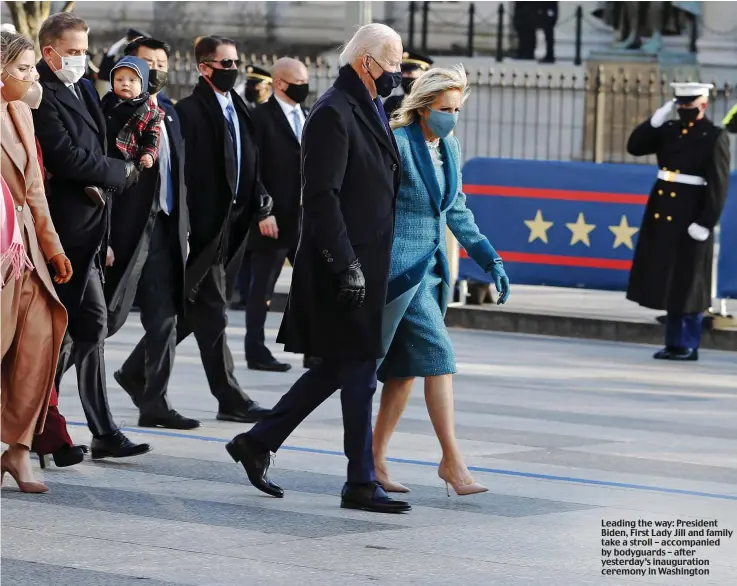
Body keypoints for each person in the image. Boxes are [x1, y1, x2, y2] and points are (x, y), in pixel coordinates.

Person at [225, 23, 411, 514]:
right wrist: (345, 263)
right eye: (392, 62)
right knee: (358, 371)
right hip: (345, 265)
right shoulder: (333, 111)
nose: (397, 71)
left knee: (342, 367)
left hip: (366, 261)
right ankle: (358, 481)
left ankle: (259, 442)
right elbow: (321, 197)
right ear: (367, 61)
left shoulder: (368, 105)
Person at [372, 65, 511, 496]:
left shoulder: (449, 147)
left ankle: (373, 460)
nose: (451, 115)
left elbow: (457, 211)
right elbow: (372, 207)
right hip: (400, 271)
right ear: (422, 106)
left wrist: (490, 258)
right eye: (444, 108)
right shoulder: (396, 143)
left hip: (433, 271)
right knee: (440, 357)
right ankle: (452, 461)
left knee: (402, 374)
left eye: (456, 108)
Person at [129, 35, 272, 424]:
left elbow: (245, 162)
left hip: (234, 228)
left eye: (236, 62)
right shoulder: (189, 111)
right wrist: (188, 229)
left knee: (196, 311)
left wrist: (260, 198)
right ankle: (229, 397)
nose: (234, 70)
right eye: (226, 64)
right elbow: (184, 175)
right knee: (211, 310)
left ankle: (134, 371)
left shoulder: (238, 107)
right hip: (203, 230)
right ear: (204, 67)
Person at [34, 12, 150, 459]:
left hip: (90, 230)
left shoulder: (82, 85)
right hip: (60, 233)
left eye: (85, 50)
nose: (82, 60)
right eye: (74, 52)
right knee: (62, 332)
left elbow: (98, 143)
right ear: (50, 51)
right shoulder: (39, 91)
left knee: (89, 325)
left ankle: (87, 429)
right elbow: (64, 157)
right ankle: (44, 425)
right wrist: (120, 172)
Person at [103, 38, 198, 430]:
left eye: (162, 62)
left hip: (165, 227)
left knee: (165, 320)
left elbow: (179, 175)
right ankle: (45, 396)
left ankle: (154, 401)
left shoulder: (169, 113)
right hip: (125, 230)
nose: (156, 70)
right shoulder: (110, 113)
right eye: (147, 63)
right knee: (103, 319)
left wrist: (184, 228)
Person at [1, 30, 73, 492]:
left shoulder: (23, 113)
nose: (32, 77)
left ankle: (19, 451)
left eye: (32, 68)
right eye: (23, 69)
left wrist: (53, 247)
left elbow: (35, 191)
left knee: (40, 340)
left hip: (26, 250)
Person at [626, 82, 730, 361]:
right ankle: (673, 342)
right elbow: (634, 147)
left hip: (692, 215)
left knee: (690, 282)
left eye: (689, 105)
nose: (684, 110)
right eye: (680, 105)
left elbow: (719, 184)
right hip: (663, 214)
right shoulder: (669, 130)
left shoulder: (714, 135)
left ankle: (688, 343)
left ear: (703, 105)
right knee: (670, 281)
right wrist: (654, 122)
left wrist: (706, 222)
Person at [240, 57, 309, 372]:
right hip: (272, 220)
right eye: (298, 80)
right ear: (280, 83)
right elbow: (253, 170)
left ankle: (312, 347)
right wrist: (263, 212)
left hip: (303, 219)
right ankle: (256, 350)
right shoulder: (260, 117)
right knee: (262, 288)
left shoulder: (306, 116)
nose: (303, 86)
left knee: (311, 283)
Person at [84, 55, 162, 206]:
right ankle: (98, 189)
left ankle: (103, 191)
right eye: (119, 80)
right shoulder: (108, 100)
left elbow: (153, 135)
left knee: (119, 174)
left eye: (132, 80)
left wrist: (149, 154)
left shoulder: (150, 110)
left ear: (143, 83)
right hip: (106, 148)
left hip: (128, 155)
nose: (125, 84)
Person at [383, 51, 433, 117]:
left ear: (423, 74)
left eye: (409, 72)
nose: (405, 76)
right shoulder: (392, 103)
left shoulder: (432, 102)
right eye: (403, 72)